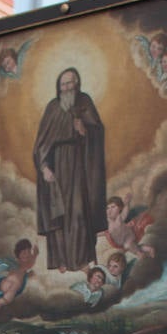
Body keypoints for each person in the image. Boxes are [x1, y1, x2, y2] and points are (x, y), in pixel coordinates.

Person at [34, 67, 106, 272]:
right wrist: (44, 166)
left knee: (79, 211)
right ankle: (62, 260)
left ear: (77, 83)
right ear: (59, 86)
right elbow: (41, 142)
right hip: (56, 166)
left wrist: (84, 130)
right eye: (63, 84)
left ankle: (81, 259)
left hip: (79, 166)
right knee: (59, 212)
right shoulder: (53, 107)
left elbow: (98, 131)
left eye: (70, 83)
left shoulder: (84, 102)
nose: (67, 87)